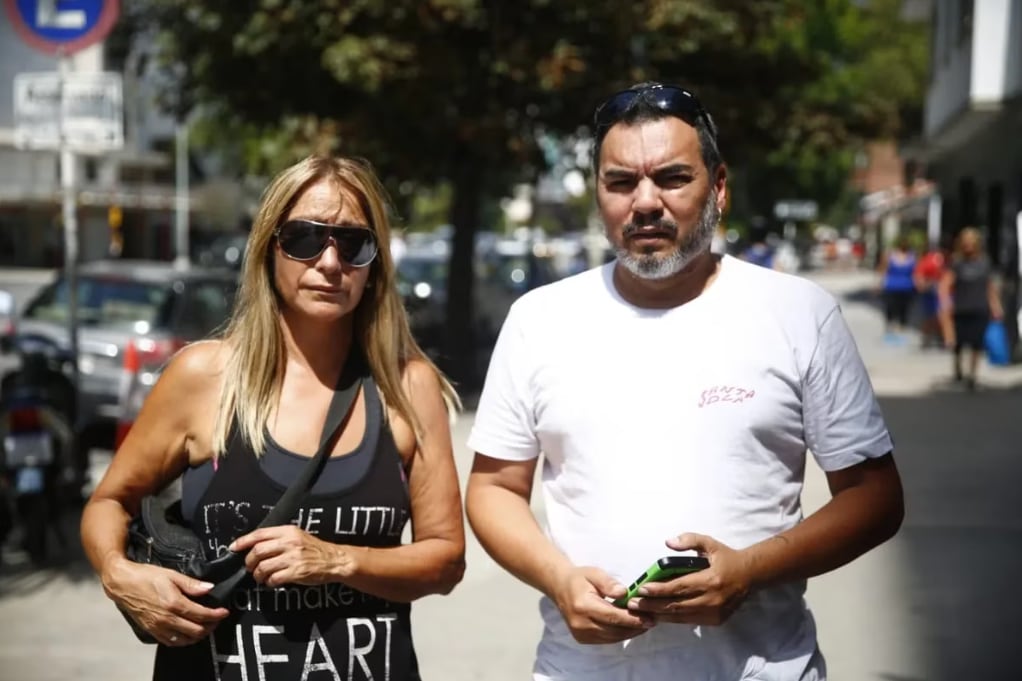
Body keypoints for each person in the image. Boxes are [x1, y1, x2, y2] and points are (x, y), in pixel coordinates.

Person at [465, 82, 904, 680]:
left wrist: (749, 570)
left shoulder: (798, 313)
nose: (645, 202)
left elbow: (875, 498)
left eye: (671, 178)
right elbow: (493, 489)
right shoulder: (539, 320)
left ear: (717, 187)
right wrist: (558, 579)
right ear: (600, 195)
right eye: (620, 182)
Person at [80, 155, 466, 680]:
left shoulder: (407, 387)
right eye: (305, 238)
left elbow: (445, 560)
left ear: (375, 265)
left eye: (353, 243)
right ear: (268, 249)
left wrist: (337, 560)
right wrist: (117, 571)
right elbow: (109, 501)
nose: (330, 262)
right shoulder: (204, 377)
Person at [938, 226, 1003, 390]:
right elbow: (946, 283)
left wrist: (996, 306)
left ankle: (972, 375)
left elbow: (989, 287)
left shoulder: (985, 263)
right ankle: (958, 369)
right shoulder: (957, 263)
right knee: (958, 343)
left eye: (971, 243)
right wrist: (945, 302)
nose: (968, 246)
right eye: (965, 243)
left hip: (980, 307)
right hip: (961, 307)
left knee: (976, 343)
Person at [875, 235, 917, 343]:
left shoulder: (912, 256)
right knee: (890, 307)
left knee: (904, 309)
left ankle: (902, 330)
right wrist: (879, 283)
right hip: (892, 286)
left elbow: (915, 272)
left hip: (907, 287)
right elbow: (883, 270)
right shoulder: (891, 256)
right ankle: (890, 328)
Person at [913, 239, 949, 348]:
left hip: (942, 292)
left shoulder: (945, 260)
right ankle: (928, 338)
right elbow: (919, 276)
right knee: (931, 317)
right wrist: (923, 285)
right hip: (930, 292)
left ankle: (943, 338)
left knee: (942, 316)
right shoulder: (927, 260)